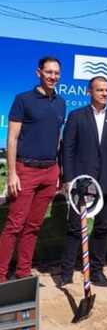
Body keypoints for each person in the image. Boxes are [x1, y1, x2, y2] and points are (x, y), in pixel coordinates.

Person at [0, 57, 66, 283]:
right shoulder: (23, 100)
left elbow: (57, 138)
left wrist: (57, 171)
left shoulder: (61, 103)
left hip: (50, 171)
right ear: (39, 73)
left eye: (56, 73)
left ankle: (23, 272)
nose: (53, 76)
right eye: (48, 72)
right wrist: (12, 173)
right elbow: (12, 138)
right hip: (25, 170)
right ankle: (0, 275)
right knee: (14, 225)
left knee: (34, 226)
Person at [59, 76, 107, 287]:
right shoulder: (76, 116)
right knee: (74, 229)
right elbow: (67, 150)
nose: (104, 94)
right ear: (90, 92)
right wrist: (69, 179)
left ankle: (97, 272)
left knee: (102, 229)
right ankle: (66, 273)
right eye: (100, 90)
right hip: (82, 183)